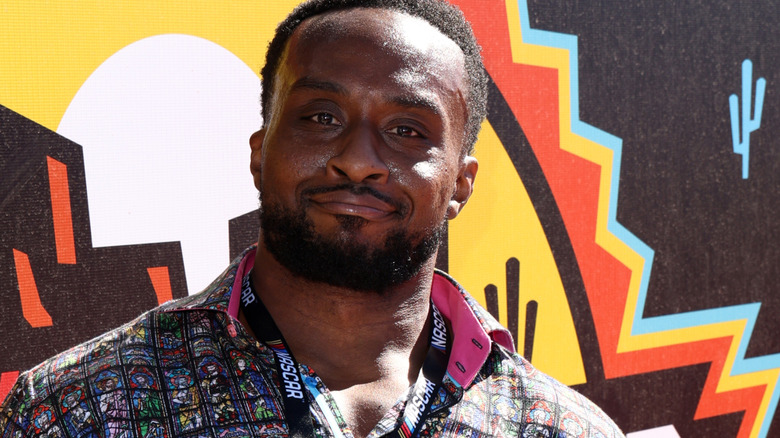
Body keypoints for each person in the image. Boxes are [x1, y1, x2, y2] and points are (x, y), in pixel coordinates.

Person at [0, 0, 625, 437]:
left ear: (461, 183)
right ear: (258, 153)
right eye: (321, 117)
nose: (357, 160)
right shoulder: (78, 408)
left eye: (407, 130)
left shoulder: (557, 428)